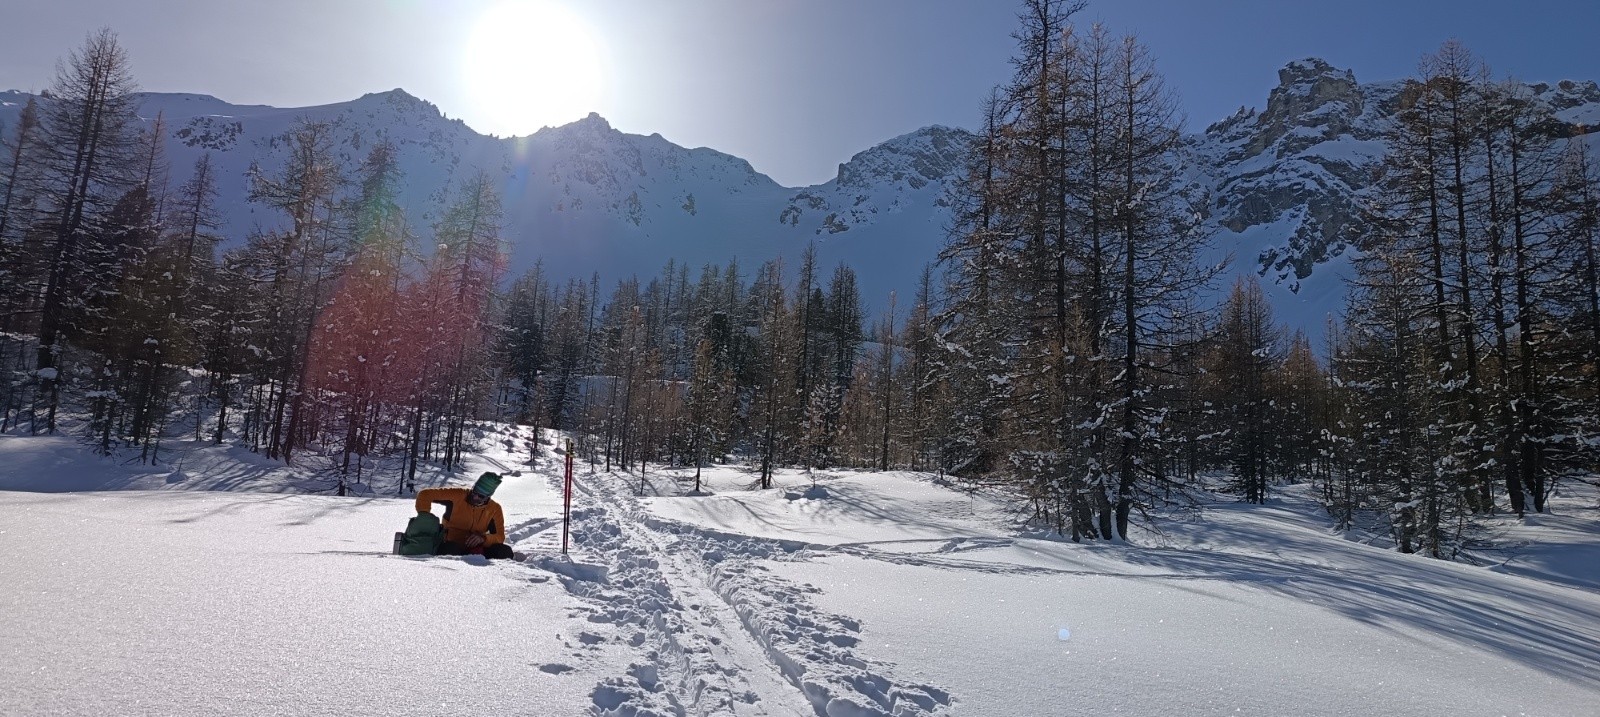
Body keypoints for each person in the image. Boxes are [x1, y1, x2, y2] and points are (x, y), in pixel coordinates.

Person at [414, 472, 513, 559]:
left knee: (505, 551)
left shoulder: (494, 509)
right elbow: (425, 494)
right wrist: (424, 517)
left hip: (477, 549)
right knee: (450, 549)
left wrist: (483, 538)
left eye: (481, 496)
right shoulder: (457, 495)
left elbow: (500, 537)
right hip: (451, 545)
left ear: (488, 497)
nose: (475, 497)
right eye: (474, 492)